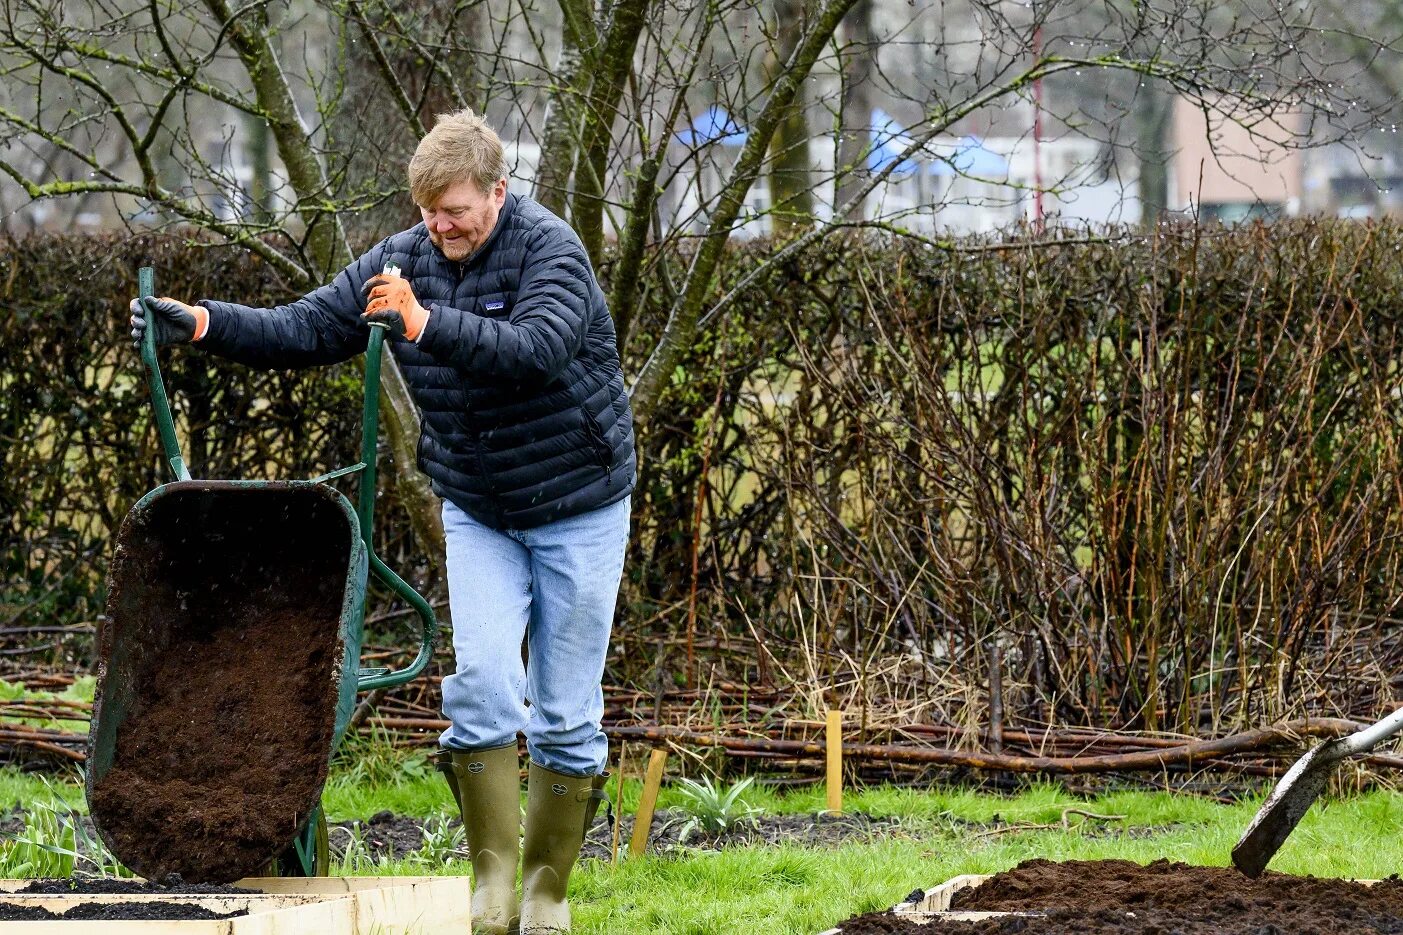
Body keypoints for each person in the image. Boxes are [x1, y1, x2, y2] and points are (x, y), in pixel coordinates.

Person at [130, 109, 635, 935]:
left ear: (498, 194)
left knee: (567, 714)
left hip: (579, 504)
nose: (440, 227)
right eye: (429, 210)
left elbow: (535, 349)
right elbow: (308, 325)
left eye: (456, 210)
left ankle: (547, 898)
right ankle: (493, 892)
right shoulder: (404, 260)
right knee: (479, 690)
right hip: (479, 506)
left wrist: (423, 324)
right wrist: (204, 323)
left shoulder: (552, 252)